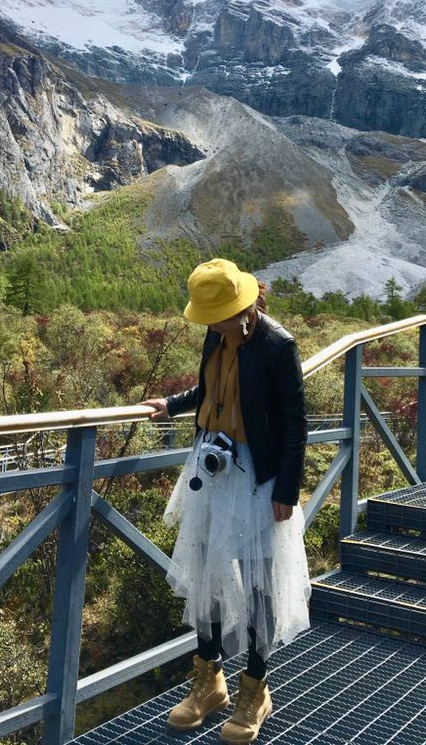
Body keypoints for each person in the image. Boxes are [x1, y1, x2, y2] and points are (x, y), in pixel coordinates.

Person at [141, 257, 311, 742]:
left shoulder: (279, 345)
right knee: (205, 573)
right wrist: (172, 404)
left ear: (240, 308)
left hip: (258, 477)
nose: (210, 326)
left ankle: (255, 690)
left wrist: (286, 489)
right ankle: (209, 680)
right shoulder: (218, 334)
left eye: (215, 317)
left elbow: (296, 422)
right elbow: (212, 391)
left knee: (258, 582)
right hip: (211, 468)